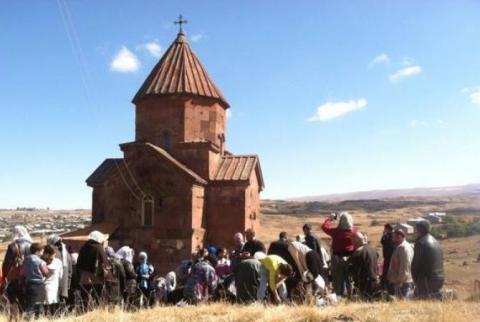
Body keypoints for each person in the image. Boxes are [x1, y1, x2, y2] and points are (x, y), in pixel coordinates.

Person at [321, 212, 357, 296]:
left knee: (337, 278)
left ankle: (338, 295)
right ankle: (350, 294)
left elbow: (324, 227)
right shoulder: (354, 231)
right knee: (349, 278)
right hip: (350, 258)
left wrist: (330, 219)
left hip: (337, 257)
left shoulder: (336, 232)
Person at [2, 225, 32, 313]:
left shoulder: (12, 246)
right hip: (29, 275)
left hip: (15, 278)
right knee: (26, 299)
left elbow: (7, 264)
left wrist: (5, 276)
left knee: (13, 298)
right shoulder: (31, 245)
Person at [76, 230, 109, 310]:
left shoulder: (83, 248)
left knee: (85, 300)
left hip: (84, 278)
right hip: (97, 278)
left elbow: (79, 264)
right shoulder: (99, 248)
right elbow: (105, 264)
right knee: (98, 299)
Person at [411, 221, 445, 299]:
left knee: (420, 302)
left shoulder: (421, 243)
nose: (415, 231)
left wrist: (415, 279)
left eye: (416, 229)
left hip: (426, 279)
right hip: (439, 278)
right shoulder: (437, 242)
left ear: (420, 229)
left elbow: (416, 264)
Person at [350, 232, 379, 299]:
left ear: (357, 240)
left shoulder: (358, 252)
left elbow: (355, 270)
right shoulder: (373, 249)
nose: (352, 243)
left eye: (352, 240)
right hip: (374, 280)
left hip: (364, 283)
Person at [387, 229, 414, 298]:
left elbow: (405, 265)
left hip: (403, 283)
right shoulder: (402, 246)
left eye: (393, 237)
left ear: (399, 237)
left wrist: (400, 281)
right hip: (402, 281)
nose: (392, 239)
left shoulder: (403, 248)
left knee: (403, 303)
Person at [24, 243, 48, 317]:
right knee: (38, 305)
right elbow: (46, 272)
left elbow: (22, 272)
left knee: (30, 304)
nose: (42, 253)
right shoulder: (40, 262)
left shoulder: (26, 260)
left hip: (28, 284)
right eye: (41, 251)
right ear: (37, 251)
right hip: (39, 285)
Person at [47, 234, 73, 303]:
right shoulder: (66, 252)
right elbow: (70, 269)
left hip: (53, 282)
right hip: (64, 281)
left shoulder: (51, 253)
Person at [42, 244, 63, 315]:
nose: (55, 255)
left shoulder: (41, 262)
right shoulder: (58, 262)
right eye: (54, 254)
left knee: (46, 305)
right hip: (55, 286)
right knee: (54, 305)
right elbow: (60, 276)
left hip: (44, 286)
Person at [380, 224, 395, 293]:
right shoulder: (388, 235)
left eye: (385, 228)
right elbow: (382, 241)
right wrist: (384, 235)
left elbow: (385, 243)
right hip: (387, 256)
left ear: (388, 228)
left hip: (389, 256)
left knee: (387, 271)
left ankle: (387, 286)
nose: (384, 229)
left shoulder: (392, 236)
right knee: (385, 271)